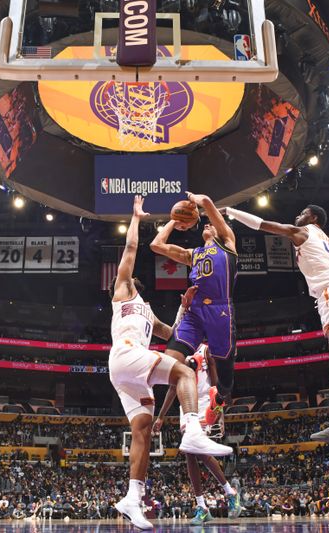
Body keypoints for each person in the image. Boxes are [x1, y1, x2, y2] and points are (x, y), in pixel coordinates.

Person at [221, 203, 329, 451]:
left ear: (314, 218)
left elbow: (263, 225)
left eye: (303, 212)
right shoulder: (326, 241)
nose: (297, 214)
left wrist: (230, 212)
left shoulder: (306, 231)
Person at [110, 195, 232, 530]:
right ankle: (193, 429)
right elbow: (133, 248)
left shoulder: (147, 312)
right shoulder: (123, 292)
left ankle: (132, 498)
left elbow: (175, 334)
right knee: (184, 371)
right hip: (126, 354)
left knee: (142, 432)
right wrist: (136, 217)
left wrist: (187, 304)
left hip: (127, 376)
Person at [150, 192, 238, 405]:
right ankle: (190, 407)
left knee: (226, 379)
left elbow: (207, 202)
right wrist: (174, 220)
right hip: (195, 311)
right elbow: (156, 245)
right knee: (170, 359)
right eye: (205, 225)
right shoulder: (193, 254)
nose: (208, 225)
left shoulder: (227, 243)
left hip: (220, 311)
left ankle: (221, 397)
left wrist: (192, 197)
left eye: (212, 225)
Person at [154, 344, 242, 525]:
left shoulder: (205, 349)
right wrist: (161, 417)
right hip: (186, 405)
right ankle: (202, 506)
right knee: (189, 453)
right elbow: (172, 388)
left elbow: (216, 378)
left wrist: (220, 400)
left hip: (203, 402)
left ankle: (229, 493)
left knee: (199, 450)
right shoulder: (177, 352)